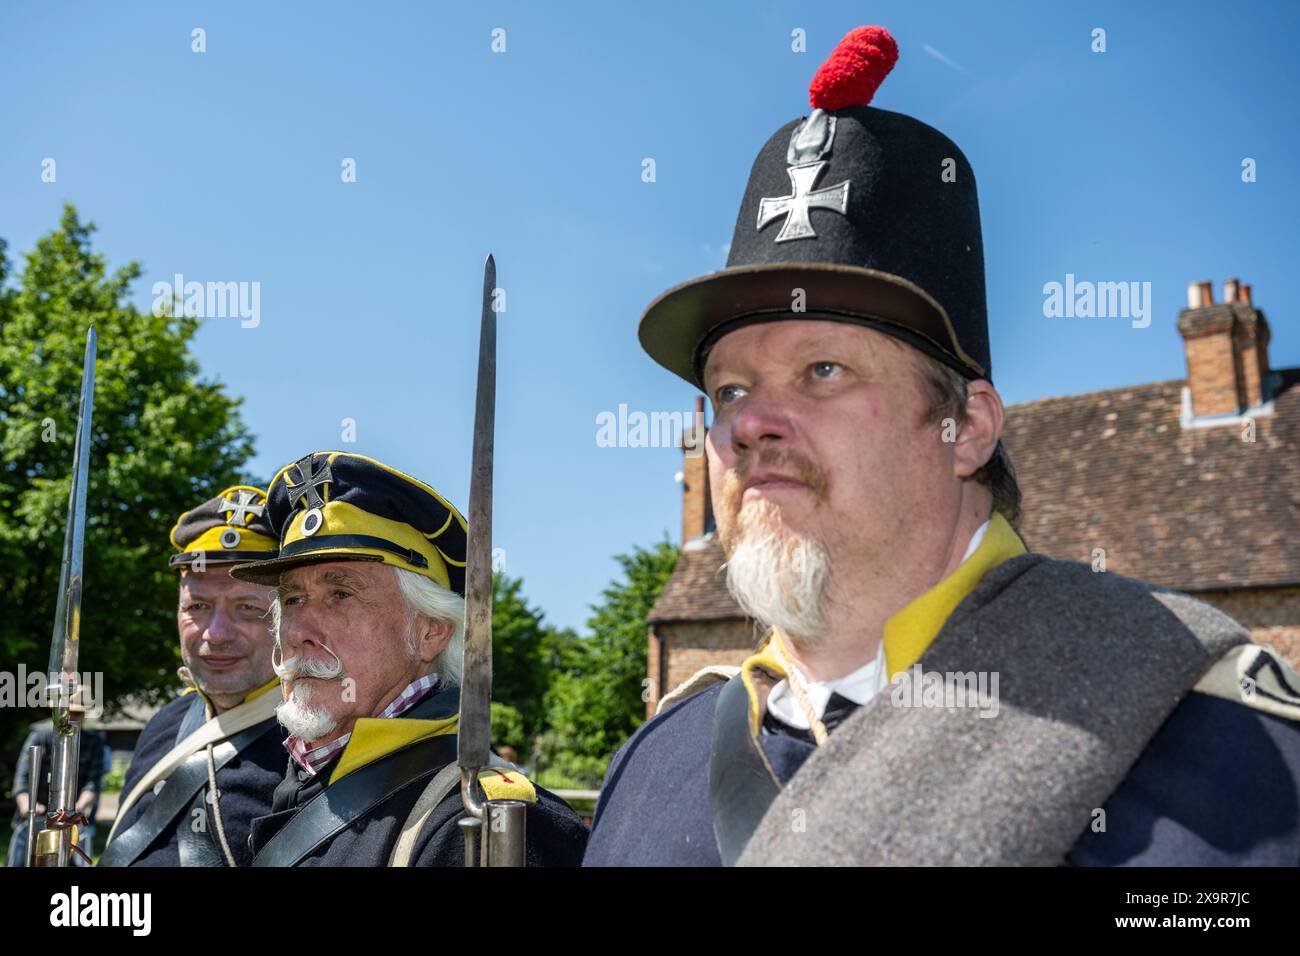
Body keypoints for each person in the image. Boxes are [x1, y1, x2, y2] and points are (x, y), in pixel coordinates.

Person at [584, 25, 1300, 866]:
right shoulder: (650, 766)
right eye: (729, 390)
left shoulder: (1229, 759)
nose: (748, 423)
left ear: (970, 429)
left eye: (822, 369)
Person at [232, 451, 588, 866]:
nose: (298, 632)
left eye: (341, 595)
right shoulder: (300, 779)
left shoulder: (485, 823)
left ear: (430, 632)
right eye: (293, 599)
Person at [99, 485, 288, 867]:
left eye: (247, 607)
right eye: (197, 606)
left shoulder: (315, 742)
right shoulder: (164, 724)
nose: (215, 633)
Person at [7, 726, 104, 866]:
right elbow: (22, 779)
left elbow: (93, 783)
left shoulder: (93, 742)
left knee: (81, 839)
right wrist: (27, 806)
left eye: (77, 713)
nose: (72, 717)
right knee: (22, 844)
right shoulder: (39, 737)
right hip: (35, 818)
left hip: (71, 819)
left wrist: (76, 808)